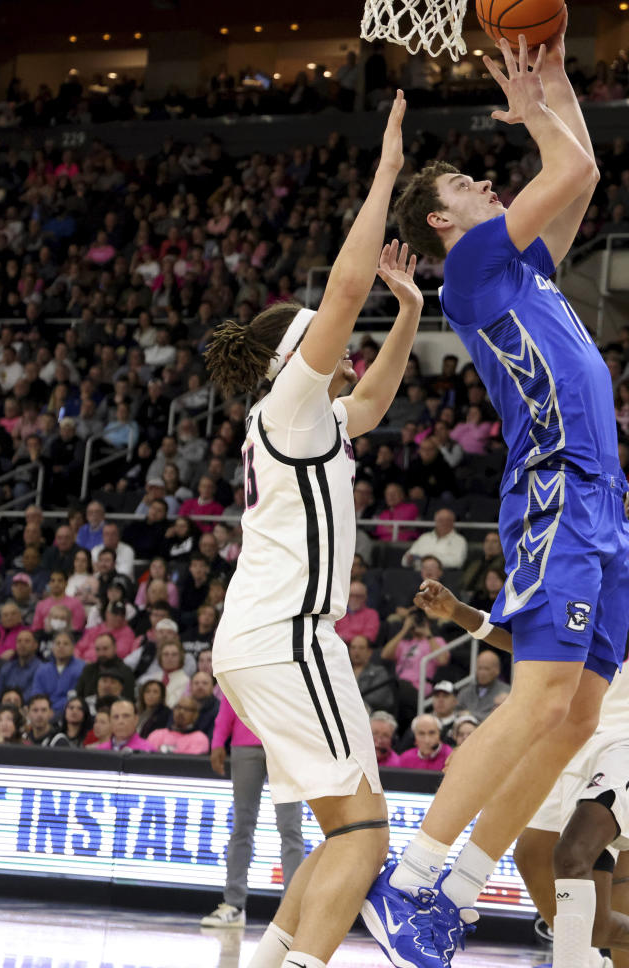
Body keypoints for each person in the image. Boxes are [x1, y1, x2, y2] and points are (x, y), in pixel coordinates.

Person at [368, 22, 629, 968]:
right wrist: (533, 115)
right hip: (558, 492)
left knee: (577, 717)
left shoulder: (523, 268)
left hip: (601, 502)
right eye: (468, 188)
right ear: (442, 223)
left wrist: (555, 81)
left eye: (487, 180)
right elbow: (559, 173)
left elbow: (584, 172)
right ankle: (407, 880)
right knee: (536, 702)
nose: (488, 187)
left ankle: (460, 884)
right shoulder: (474, 271)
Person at [206, 95, 416, 968]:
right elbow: (341, 288)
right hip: (286, 636)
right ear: (296, 356)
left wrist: (408, 312)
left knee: (345, 831)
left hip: (275, 639)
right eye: (327, 341)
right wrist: (387, 172)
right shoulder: (289, 400)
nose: (346, 347)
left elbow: (371, 402)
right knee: (366, 836)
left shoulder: (317, 421)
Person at [415, 462, 629, 968]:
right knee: (537, 856)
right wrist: (460, 614)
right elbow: (534, 646)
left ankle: (619, 956)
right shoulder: (595, 571)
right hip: (575, 732)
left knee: (581, 860)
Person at [201, 692, 304, 928]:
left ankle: (292, 910)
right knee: (242, 826)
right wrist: (218, 740)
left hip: (285, 744)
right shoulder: (245, 656)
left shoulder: (290, 656)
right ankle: (234, 905)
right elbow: (230, 693)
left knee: (290, 828)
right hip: (245, 743)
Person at [454, 650, 511, 724]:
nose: (482, 673)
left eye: (486, 669)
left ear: (497, 670)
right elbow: (455, 713)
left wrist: (470, 715)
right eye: (480, 668)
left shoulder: (506, 692)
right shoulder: (465, 692)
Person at [400, 509, 468, 570]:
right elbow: (404, 561)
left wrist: (432, 560)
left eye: (447, 520)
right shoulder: (424, 537)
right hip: (417, 575)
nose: (444, 523)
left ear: (453, 522)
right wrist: (408, 559)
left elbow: (458, 562)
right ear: (435, 521)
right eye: (440, 520)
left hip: (444, 578)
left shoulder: (459, 540)